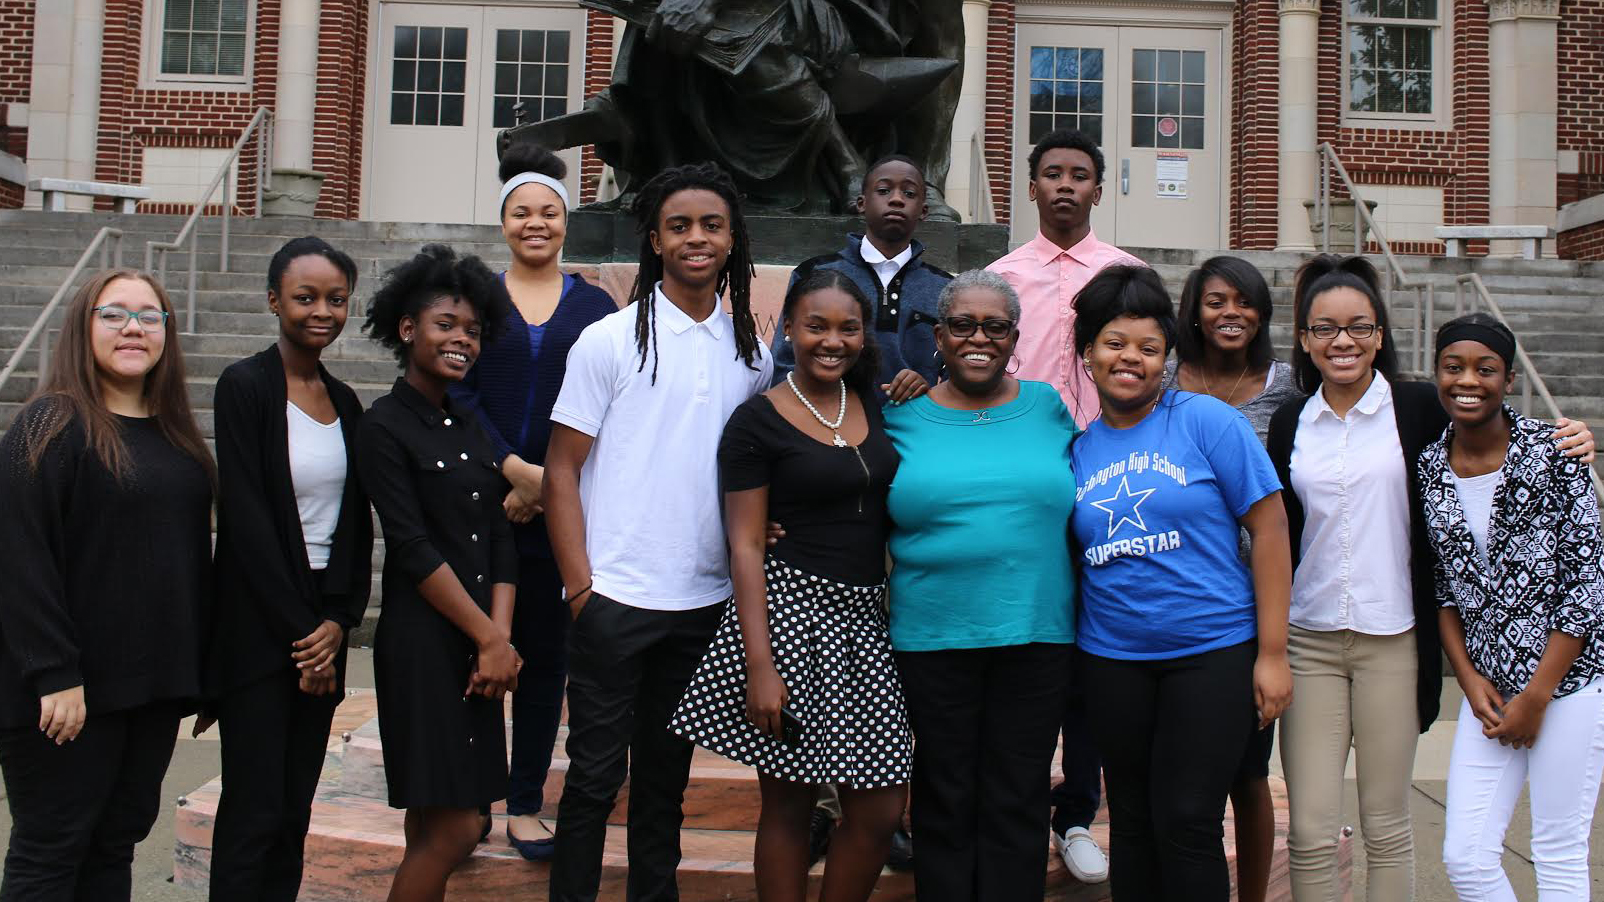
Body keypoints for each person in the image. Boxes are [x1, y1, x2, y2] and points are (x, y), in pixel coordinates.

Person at [1266, 256, 1594, 902]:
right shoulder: (1290, 423)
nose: (1343, 341)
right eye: (1325, 328)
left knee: (1387, 827)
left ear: (1381, 334)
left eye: (1359, 327)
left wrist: (1572, 437)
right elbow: (1280, 532)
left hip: (1392, 639)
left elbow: (1491, 422)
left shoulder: (1418, 407)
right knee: (1307, 831)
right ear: (1304, 339)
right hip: (1309, 641)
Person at [544, 161, 773, 902]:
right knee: (593, 783)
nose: (696, 238)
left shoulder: (752, 351)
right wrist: (582, 588)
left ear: (733, 239)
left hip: (701, 604)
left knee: (664, 791)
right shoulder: (608, 341)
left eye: (711, 225)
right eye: (680, 226)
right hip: (616, 596)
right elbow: (560, 471)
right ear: (654, 239)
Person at [671, 269, 910, 902]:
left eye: (848, 328)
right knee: (789, 806)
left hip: (864, 622)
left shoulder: (876, 405)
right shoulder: (757, 422)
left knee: (880, 808)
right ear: (790, 332)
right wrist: (760, 666)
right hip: (791, 619)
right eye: (816, 326)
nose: (832, 341)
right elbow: (746, 544)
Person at [1067, 264, 1292, 902]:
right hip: (1112, 659)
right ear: (1088, 353)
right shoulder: (1080, 450)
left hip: (1212, 652)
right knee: (1132, 824)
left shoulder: (1205, 422)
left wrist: (1272, 654)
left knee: (1189, 819)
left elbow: (1271, 531)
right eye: (1114, 343)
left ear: (1167, 355)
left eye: (1148, 347)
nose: (1130, 359)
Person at [0, 269, 215, 900]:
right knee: (52, 849)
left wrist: (196, 670)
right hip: (68, 694)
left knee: (114, 844)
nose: (133, 328)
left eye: (150, 317)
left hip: (146, 689)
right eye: (113, 313)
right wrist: (54, 672)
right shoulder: (50, 423)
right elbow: (18, 555)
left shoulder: (173, 433)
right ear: (82, 326)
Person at [445, 144, 617, 861]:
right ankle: (468, 797)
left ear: (566, 221)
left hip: (561, 507)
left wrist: (546, 483)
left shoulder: (597, 305)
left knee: (545, 657)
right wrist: (512, 469)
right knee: (476, 650)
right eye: (522, 212)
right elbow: (454, 389)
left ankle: (522, 802)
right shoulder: (472, 299)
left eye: (548, 211)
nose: (535, 223)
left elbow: (613, 401)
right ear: (504, 221)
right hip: (480, 500)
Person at [883, 269, 1077, 901]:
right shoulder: (900, 415)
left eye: (995, 327)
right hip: (931, 635)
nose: (979, 338)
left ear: (1014, 336)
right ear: (938, 335)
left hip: (1037, 634)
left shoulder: (1047, 405)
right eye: (962, 325)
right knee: (944, 794)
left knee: (1018, 796)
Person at [986, 125, 1137, 883]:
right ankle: (1013, 799)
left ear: (1098, 189)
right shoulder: (999, 278)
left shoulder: (1128, 274)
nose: (1067, 185)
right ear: (1034, 186)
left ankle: (1077, 813)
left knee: (1091, 655)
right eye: (1053, 173)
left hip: (1112, 483)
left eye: (1081, 174)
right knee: (1030, 648)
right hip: (1032, 483)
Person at [205, 237, 373, 902]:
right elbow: (244, 522)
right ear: (275, 300)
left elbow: (356, 527)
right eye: (306, 297)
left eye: (335, 299)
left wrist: (338, 621)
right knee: (252, 809)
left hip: (320, 621)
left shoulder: (347, 402)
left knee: (293, 813)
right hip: (257, 622)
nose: (322, 311)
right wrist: (307, 638)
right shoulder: (244, 388)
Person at [356, 245, 521, 902]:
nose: (461, 339)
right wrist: (489, 638)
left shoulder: (470, 421)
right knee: (457, 828)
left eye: (473, 330)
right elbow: (413, 548)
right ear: (407, 329)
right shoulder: (383, 426)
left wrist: (499, 640)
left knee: (435, 823)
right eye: (446, 325)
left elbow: (503, 537)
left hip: (481, 647)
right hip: (425, 647)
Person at [1422, 314, 1604, 902]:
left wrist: (1538, 696)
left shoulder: (1554, 455)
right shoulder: (1430, 467)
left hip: (1570, 686)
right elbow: (1445, 590)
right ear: (1437, 374)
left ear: (1508, 379)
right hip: (1493, 692)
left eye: (1485, 368)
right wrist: (1470, 682)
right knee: (1466, 858)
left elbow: (1585, 590)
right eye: (1453, 367)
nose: (1467, 380)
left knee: (1557, 853)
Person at [1162, 254, 1302, 902]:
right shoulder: (1161, 381)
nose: (1231, 314)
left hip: (1256, 603)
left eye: (1244, 302)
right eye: (1216, 301)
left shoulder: (1289, 389)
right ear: (1193, 309)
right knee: (1182, 777)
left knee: (1248, 773)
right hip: (1179, 600)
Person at [772, 154, 951, 398]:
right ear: (861, 203)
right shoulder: (813, 274)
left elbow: (957, 375)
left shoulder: (946, 288)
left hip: (914, 429)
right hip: (830, 426)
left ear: (924, 210)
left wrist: (930, 391)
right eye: (884, 190)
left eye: (909, 193)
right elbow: (784, 363)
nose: (897, 199)